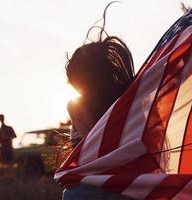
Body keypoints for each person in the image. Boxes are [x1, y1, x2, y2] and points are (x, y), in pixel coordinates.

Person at [62, 4, 135, 200]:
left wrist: (68, 170)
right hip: (129, 185)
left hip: (92, 186)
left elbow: (95, 148)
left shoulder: (76, 105)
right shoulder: (126, 102)